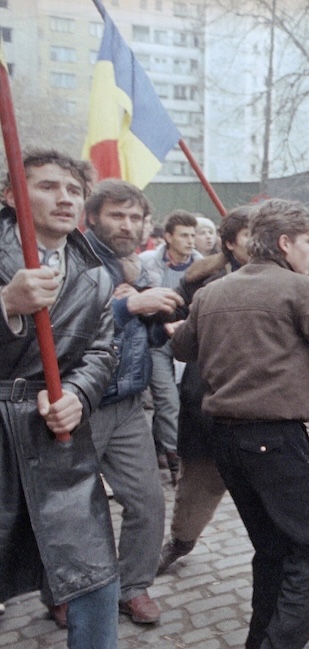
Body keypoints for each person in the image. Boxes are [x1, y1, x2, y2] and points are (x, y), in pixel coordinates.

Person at [171, 199, 309, 649]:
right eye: (307, 243)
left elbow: (183, 348)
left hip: (226, 441)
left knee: (275, 550)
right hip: (275, 441)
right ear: (284, 242)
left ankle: (260, 640)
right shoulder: (301, 290)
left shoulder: (212, 292)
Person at [0, 149, 120, 646]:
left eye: (74, 190)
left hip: (56, 437)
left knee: (94, 574)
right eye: (48, 186)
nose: (65, 198)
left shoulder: (94, 272)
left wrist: (77, 394)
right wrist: (6, 303)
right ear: (11, 196)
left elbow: (101, 350)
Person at [83, 179, 176, 625]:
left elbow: (142, 336)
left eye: (134, 216)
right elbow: (72, 328)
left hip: (127, 405)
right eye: (116, 215)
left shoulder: (136, 267)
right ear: (93, 217)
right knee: (71, 510)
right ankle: (61, 591)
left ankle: (132, 586)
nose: (126, 224)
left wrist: (157, 320)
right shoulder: (76, 259)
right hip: (79, 404)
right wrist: (129, 307)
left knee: (147, 501)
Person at [158, 206, 252, 574]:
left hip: (258, 406)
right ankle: (180, 541)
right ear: (229, 243)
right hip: (208, 397)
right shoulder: (203, 281)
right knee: (198, 481)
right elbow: (171, 321)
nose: (257, 242)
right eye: (247, 235)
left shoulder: (287, 277)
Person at [139, 209, 202, 485]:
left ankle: (193, 455)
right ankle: (176, 462)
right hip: (158, 341)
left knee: (193, 400)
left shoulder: (203, 266)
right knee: (167, 400)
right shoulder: (146, 263)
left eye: (193, 235)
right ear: (167, 237)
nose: (190, 241)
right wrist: (160, 324)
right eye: (184, 235)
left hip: (192, 340)